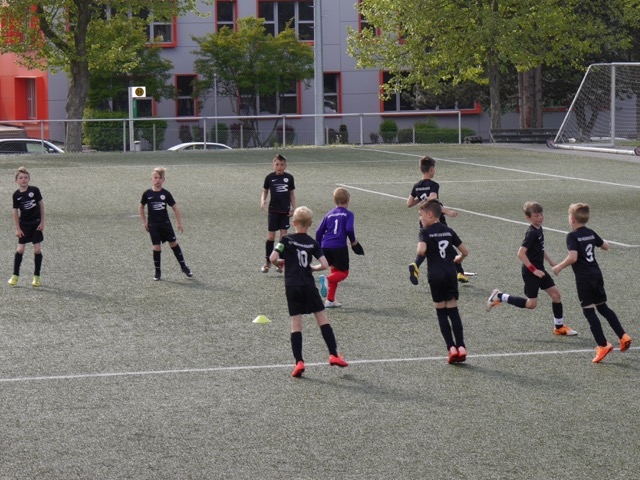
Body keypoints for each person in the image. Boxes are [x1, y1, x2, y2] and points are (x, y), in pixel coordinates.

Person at [270, 206, 349, 377]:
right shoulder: (313, 243)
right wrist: (312, 268)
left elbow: (273, 258)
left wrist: (279, 264)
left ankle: (299, 362)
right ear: (310, 224)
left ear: (294, 222)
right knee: (322, 318)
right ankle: (333, 354)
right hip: (308, 284)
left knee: (296, 323)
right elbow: (325, 265)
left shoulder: (286, 240)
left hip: (292, 286)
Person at [551, 203, 632, 363]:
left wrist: (559, 266)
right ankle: (623, 336)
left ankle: (603, 345)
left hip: (584, 278)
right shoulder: (590, 232)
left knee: (589, 311)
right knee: (603, 307)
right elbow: (606, 246)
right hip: (596, 274)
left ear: (572, 219)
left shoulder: (572, 236)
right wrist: (600, 242)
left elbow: (573, 257)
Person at [486, 201, 578, 337]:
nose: (540, 218)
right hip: (531, 272)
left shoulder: (539, 229)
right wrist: (534, 270)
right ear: (528, 218)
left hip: (540, 270)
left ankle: (559, 327)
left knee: (556, 295)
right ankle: (499, 296)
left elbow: (540, 248)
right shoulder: (531, 233)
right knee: (531, 304)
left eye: (541, 214)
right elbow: (520, 254)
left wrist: (550, 261)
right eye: (536, 216)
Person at [410, 199, 469, 364]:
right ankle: (461, 347)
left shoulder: (425, 232)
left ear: (430, 214)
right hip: (450, 273)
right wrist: (459, 259)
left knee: (441, 312)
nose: (420, 219)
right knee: (453, 311)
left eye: (421, 215)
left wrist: (418, 257)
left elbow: (421, 250)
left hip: (435, 275)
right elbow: (465, 251)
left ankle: (451, 349)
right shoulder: (449, 231)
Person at [407, 155, 469, 285]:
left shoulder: (416, 185)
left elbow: (409, 203)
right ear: (431, 170)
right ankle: (460, 272)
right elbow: (433, 201)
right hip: (436, 219)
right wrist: (447, 211)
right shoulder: (434, 185)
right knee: (448, 243)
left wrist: (420, 198)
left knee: (427, 246)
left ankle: (416, 264)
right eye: (434, 169)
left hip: (423, 220)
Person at [139, 166, 193, 281]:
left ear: (163, 180)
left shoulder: (166, 194)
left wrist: (179, 223)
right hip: (153, 225)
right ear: (151, 179)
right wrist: (144, 222)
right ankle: (157, 272)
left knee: (173, 243)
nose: (157, 180)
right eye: (155, 177)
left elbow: (175, 208)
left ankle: (184, 267)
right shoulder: (147, 194)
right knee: (157, 247)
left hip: (165, 224)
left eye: (160, 178)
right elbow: (141, 207)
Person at [315, 187, 364, 308]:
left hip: (325, 246)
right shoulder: (348, 214)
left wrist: (319, 246)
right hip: (339, 246)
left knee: (335, 271)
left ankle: (330, 300)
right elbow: (349, 229)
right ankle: (327, 279)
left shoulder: (329, 214)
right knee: (343, 273)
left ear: (334, 201)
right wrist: (353, 241)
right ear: (347, 200)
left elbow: (318, 232)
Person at [8, 167, 45, 287]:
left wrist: (42, 222)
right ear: (16, 181)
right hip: (24, 224)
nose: (23, 179)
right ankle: (15, 275)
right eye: (20, 178)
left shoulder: (35, 190)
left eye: (25, 177)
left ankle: (36, 276)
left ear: (29, 179)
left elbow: (41, 206)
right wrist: (18, 228)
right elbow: (15, 212)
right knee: (20, 249)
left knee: (37, 249)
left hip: (36, 223)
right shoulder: (16, 195)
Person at [260, 153, 296, 273]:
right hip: (273, 211)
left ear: (285, 166)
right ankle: (268, 261)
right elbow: (265, 191)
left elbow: (291, 193)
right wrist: (263, 200)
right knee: (271, 237)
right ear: (273, 165)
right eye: (277, 164)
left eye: (281, 164)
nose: (279, 167)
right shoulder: (269, 177)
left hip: (285, 211)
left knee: (283, 237)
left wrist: (294, 207)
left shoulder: (289, 178)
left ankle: (281, 262)